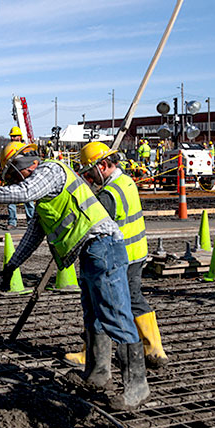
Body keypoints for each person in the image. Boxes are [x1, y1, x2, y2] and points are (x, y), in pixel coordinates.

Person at [0, 141, 150, 409]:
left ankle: (137, 386)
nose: (16, 182)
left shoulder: (51, 171)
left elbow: (25, 191)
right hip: (91, 252)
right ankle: (97, 374)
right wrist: (11, 266)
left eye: (14, 176)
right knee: (94, 315)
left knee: (115, 315)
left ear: (24, 163)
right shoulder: (43, 199)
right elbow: (31, 238)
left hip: (104, 246)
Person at [65, 142, 168, 369]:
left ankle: (91, 353)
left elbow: (92, 223)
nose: (89, 179)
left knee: (100, 301)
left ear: (102, 166)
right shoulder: (125, 181)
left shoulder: (110, 193)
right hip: (136, 252)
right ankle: (154, 349)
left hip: (122, 257)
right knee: (132, 299)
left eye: (90, 173)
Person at [6, 126, 36, 228]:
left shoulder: (25, 148)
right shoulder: (9, 148)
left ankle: (31, 222)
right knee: (11, 201)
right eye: (12, 136)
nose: (13, 138)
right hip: (13, 176)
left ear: (20, 136)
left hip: (24, 176)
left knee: (28, 201)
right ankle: (12, 222)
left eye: (15, 136)